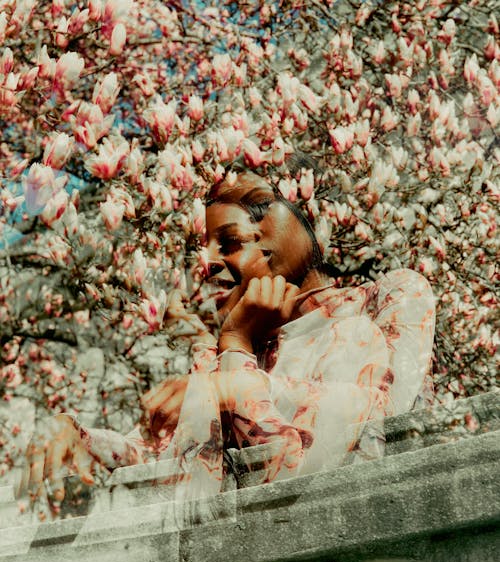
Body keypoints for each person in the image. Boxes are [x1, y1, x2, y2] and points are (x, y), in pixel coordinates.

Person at [17, 170, 435, 516]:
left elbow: (380, 431)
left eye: (230, 243)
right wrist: (78, 439)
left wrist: (232, 370)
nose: (210, 263)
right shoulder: (222, 358)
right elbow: (175, 464)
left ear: (282, 231)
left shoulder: (381, 304)